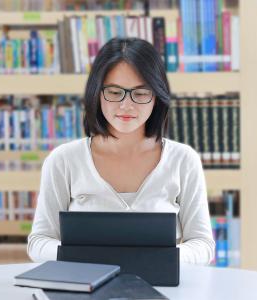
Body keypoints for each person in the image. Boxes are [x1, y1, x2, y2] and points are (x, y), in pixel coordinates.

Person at [27, 37, 215, 264]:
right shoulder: (63, 160)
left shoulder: (184, 160)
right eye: (115, 92)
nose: (126, 105)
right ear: (97, 92)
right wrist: (83, 256)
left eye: (141, 93)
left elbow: (202, 244)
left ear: (157, 96)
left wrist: (161, 258)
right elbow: (39, 242)